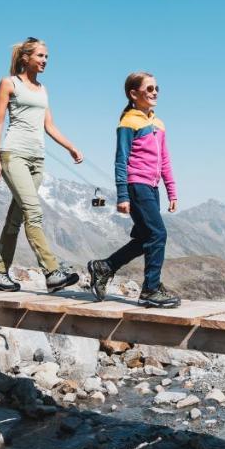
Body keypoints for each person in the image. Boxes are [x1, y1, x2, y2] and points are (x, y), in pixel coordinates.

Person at [0, 37, 83, 292]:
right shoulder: (9, 83)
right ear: (25, 58)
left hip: (37, 159)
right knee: (33, 212)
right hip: (14, 154)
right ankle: (52, 272)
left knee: (15, 219)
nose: (45, 61)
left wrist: (70, 146)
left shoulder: (43, 89)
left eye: (47, 57)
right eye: (40, 56)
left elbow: (48, 124)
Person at [87, 71, 181, 308]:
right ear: (134, 93)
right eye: (149, 89)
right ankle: (150, 289)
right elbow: (121, 160)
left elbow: (165, 160)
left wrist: (172, 190)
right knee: (158, 234)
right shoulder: (128, 122)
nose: (155, 92)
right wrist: (122, 195)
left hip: (152, 187)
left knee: (145, 238)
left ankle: (104, 267)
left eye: (157, 88)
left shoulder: (158, 123)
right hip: (137, 185)